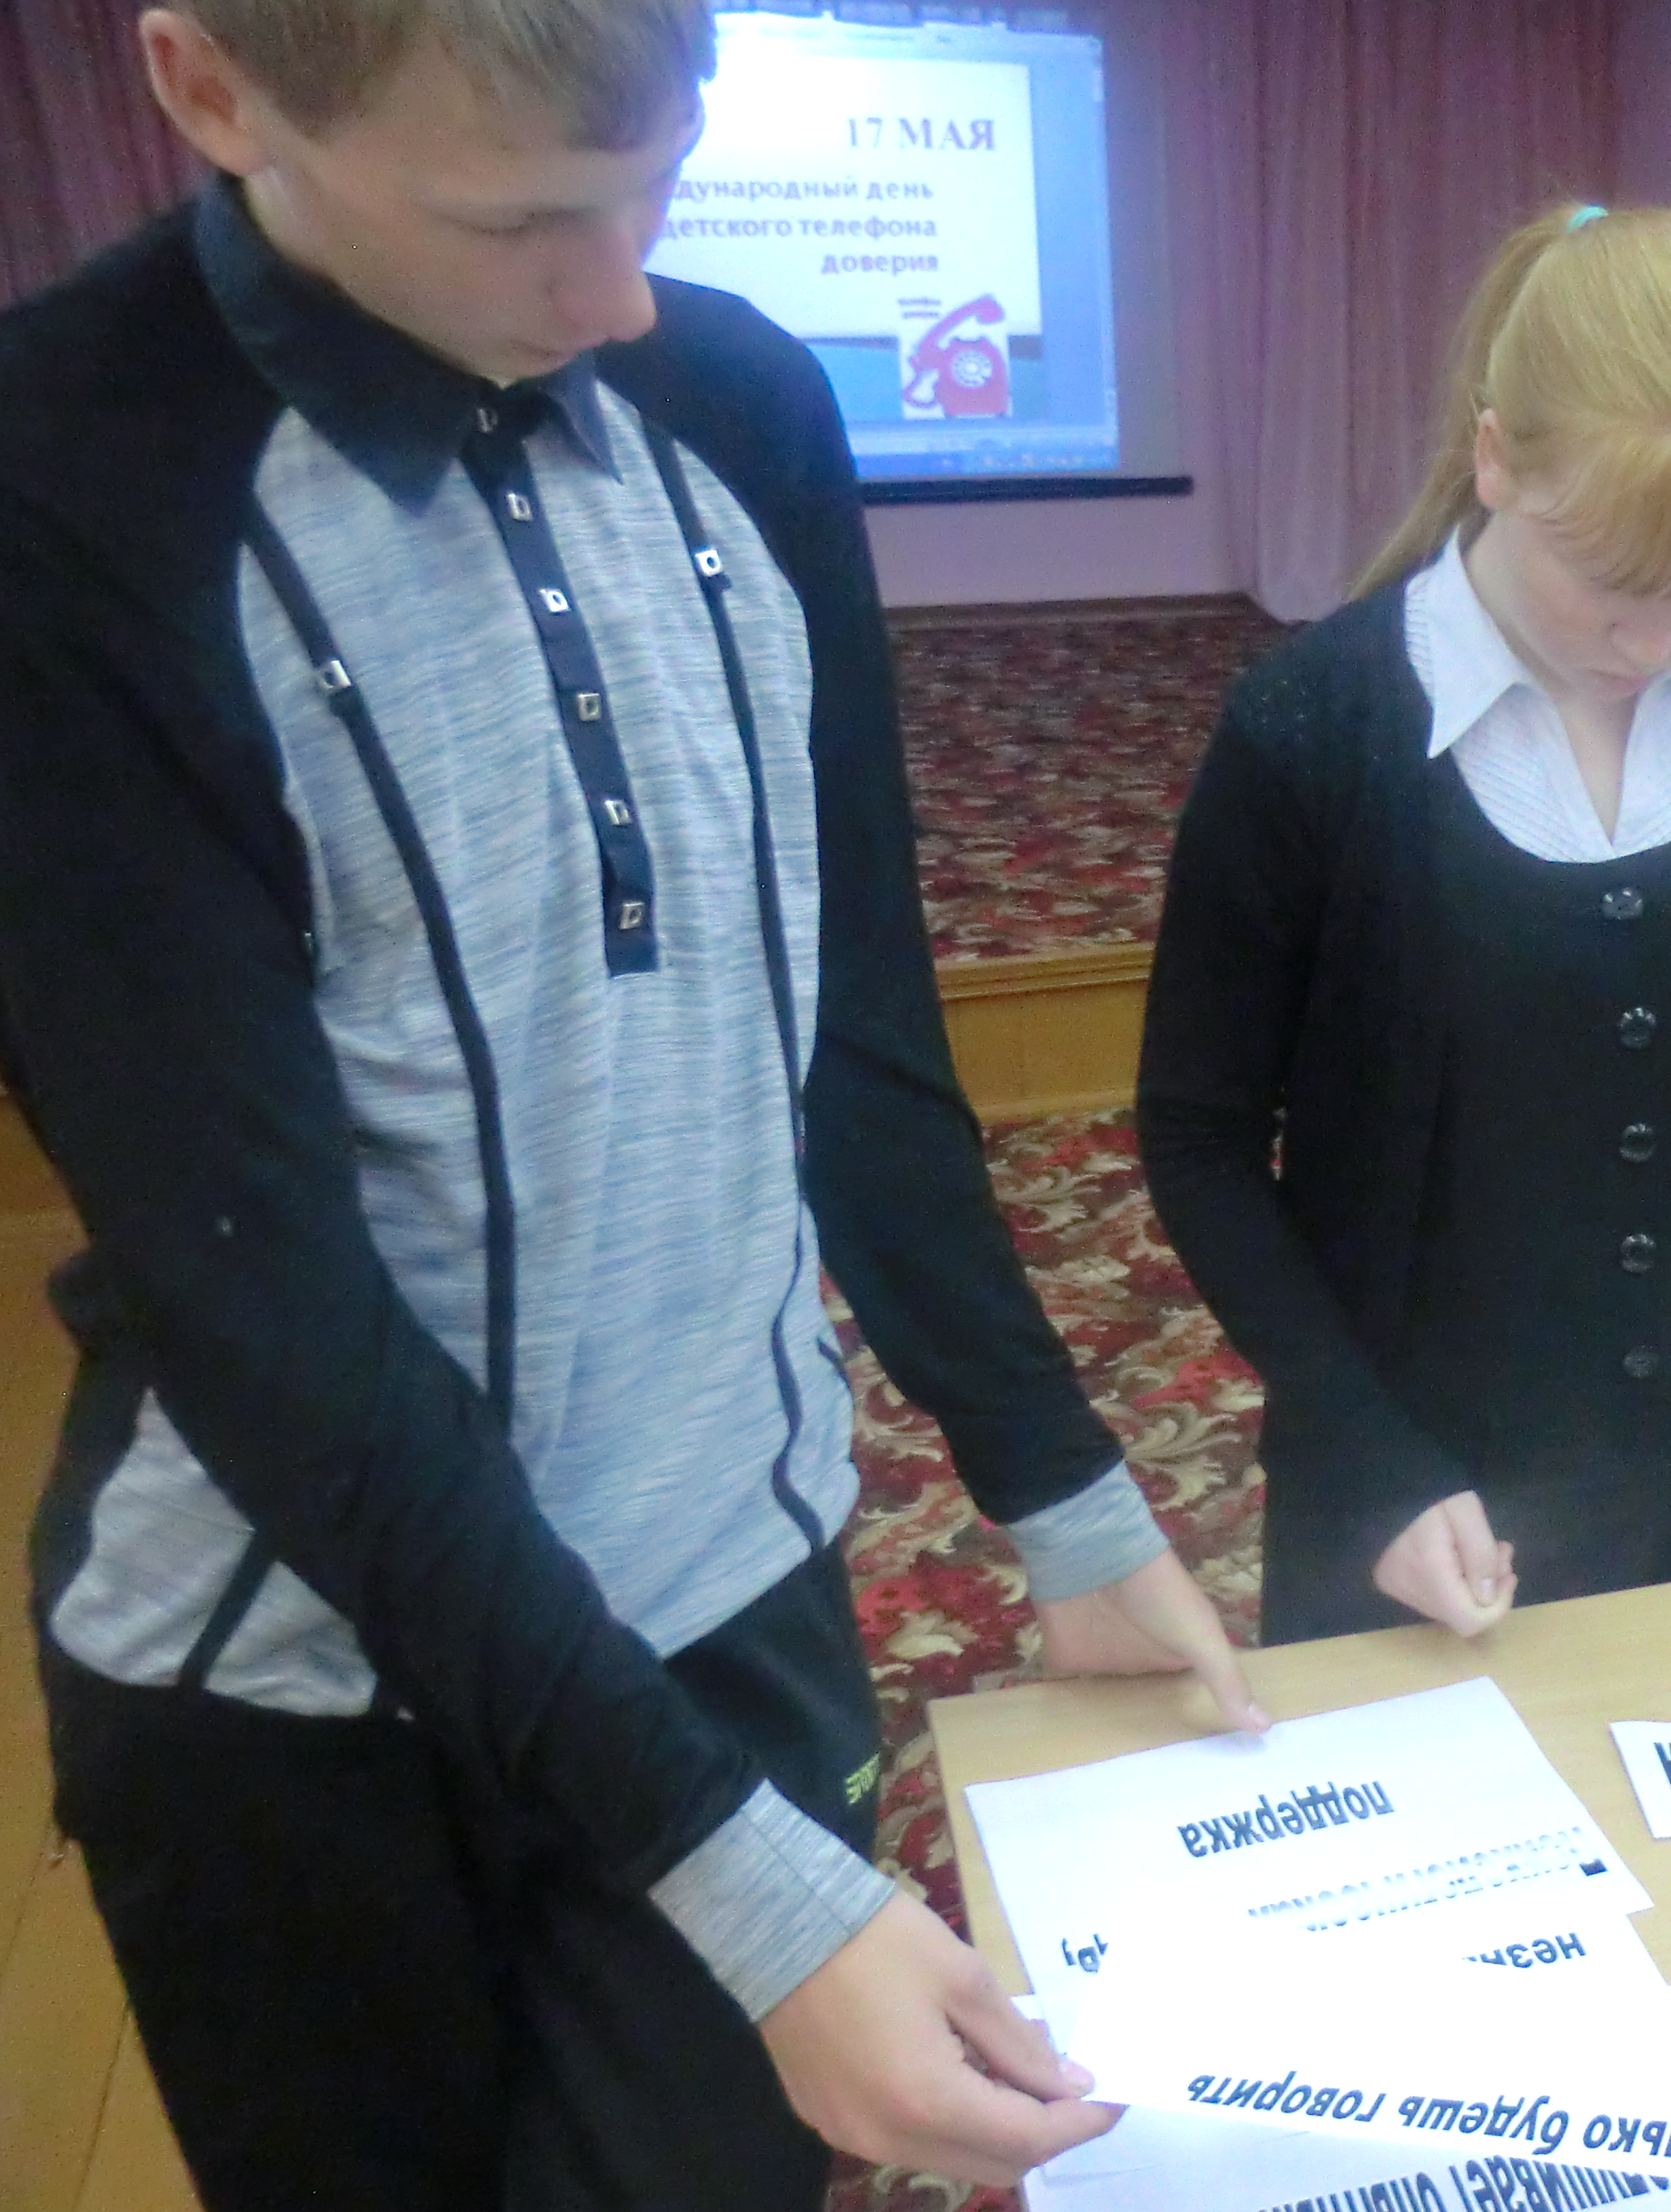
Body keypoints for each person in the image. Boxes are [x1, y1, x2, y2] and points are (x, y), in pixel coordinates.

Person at [0, 5, 1263, 2205]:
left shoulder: (735, 399)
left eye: (658, 190)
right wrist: (739, 1883)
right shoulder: (58, 478)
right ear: (209, 90)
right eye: (520, 220)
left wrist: (1057, 1484)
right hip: (298, 1697)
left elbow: (851, 1014)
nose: (621, 301)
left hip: (732, 1582)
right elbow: (254, 1306)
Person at [1136, 203, 1671, 1646]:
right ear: (1496, 458)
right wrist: (1362, 1447)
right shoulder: (1315, 730)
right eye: (1609, 584)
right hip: (1413, 1496)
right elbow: (1200, 1136)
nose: (1651, 642)